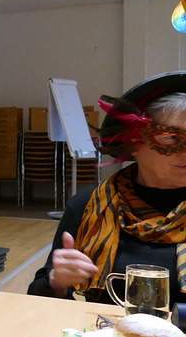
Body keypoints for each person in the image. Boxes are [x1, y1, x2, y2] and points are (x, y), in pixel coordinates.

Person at [28, 72, 186, 303]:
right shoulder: (89, 206)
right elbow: (38, 298)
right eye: (171, 138)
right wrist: (57, 282)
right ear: (133, 142)